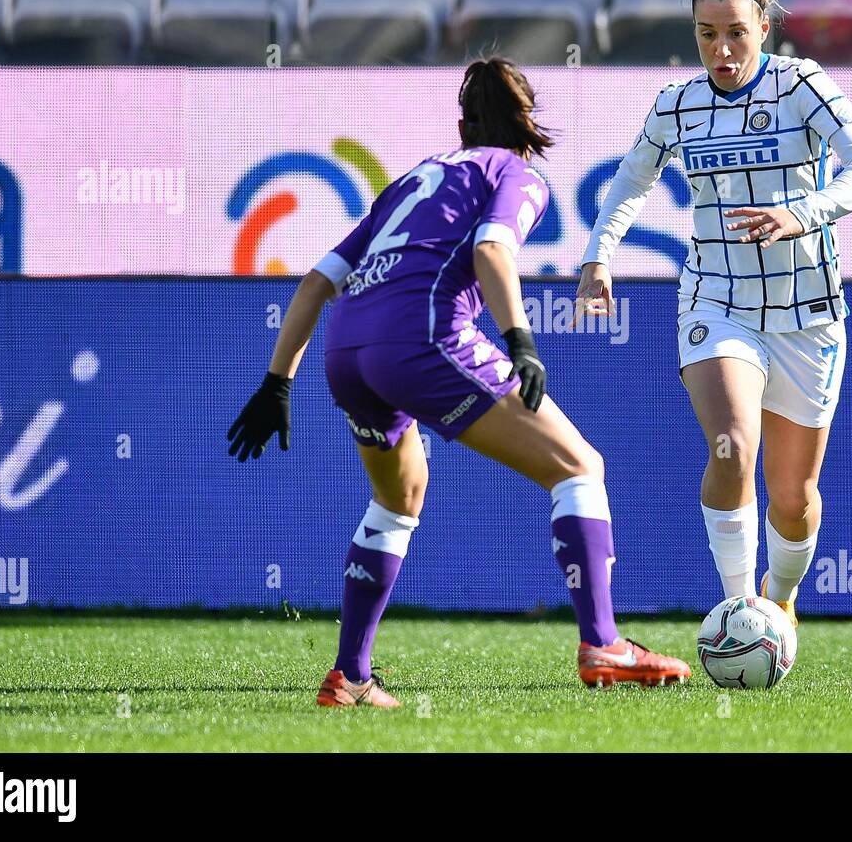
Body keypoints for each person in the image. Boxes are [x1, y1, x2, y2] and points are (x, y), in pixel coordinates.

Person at [228, 57, 691, 708]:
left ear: (462, 123)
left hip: (345, 350)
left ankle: (350, 678)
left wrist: (278, 382)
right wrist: (519, 341)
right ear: (529, 121)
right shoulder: (515, 174)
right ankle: (603, 645)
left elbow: (316, 282)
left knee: (398, 499)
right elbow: (492, 253)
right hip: (421, 338)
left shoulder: (414, 179)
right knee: (579, 468)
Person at [577, 0, 852, 627]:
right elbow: (632, 180)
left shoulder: (801, 84)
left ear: (763, 31)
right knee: (731, 445)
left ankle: (779, 601)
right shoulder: (677, 103)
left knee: (793, 495)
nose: (721, 51)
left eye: (735, 34)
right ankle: (736, 609)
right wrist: (598, 257)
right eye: (706, 35)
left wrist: (799, 212)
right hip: (715, 300)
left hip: (806, 313)